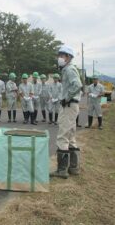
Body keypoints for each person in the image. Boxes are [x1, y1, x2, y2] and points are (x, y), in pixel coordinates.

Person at [50, 45, 82, 179]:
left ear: (68, 57)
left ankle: (62, 170)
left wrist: (67, 98)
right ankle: (73, 168)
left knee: (62, 136)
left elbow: (78, 85)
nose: (59, 58)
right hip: (72, 105)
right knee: (70, 136)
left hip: (69, 105)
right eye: (59, 55)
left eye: (62, 55)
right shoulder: (68, 69)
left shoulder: (69, 69)